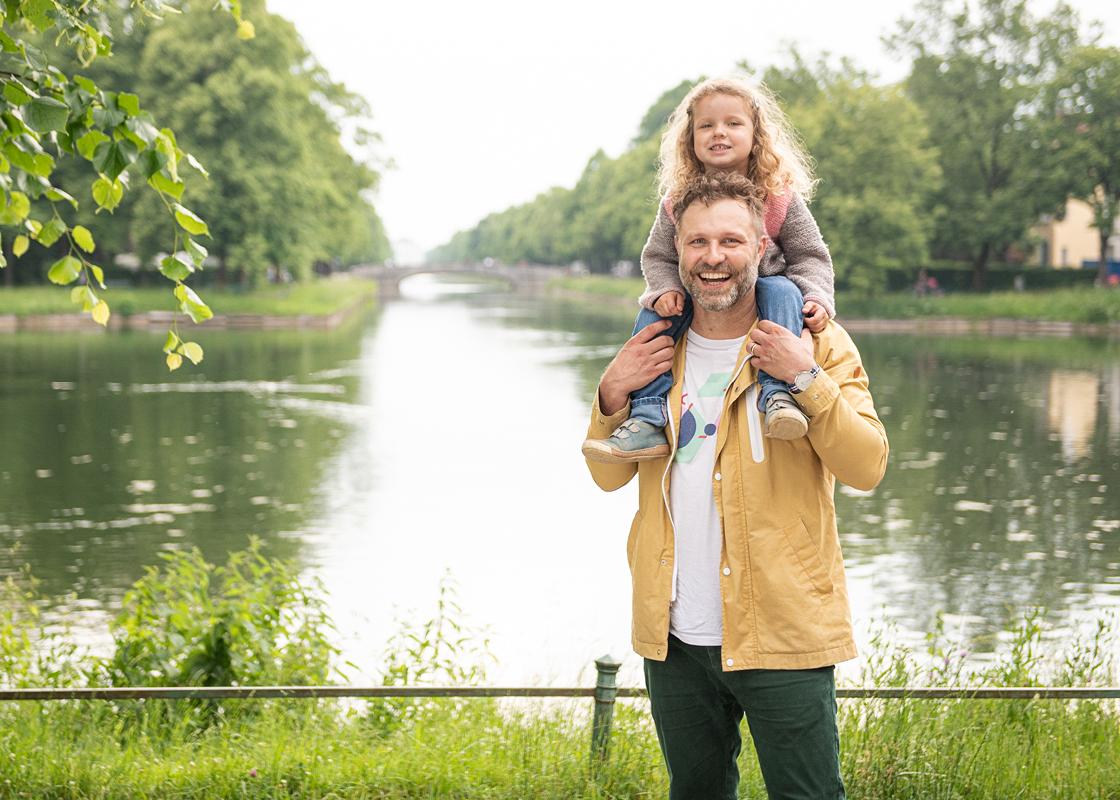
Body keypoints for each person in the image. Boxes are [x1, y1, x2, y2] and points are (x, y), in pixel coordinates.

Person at [583, 173, 888, 799]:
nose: (713, 257)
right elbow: (606, 474)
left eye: (730, 240)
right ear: (678, 250)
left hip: (784, 631)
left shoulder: (816, 341)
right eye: (697, 242)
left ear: (761, 248)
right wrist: (612, 392)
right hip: (675, 640)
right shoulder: (653, 344)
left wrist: (806, 380)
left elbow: (867, 467)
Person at [582, 77, 835, 465]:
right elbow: (658, 257)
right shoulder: (677, 202)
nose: (719, 132)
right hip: (696, 297)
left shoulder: (779, 196)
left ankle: (778, 394)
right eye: (707, 125)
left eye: (733, 123)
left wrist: (816, 297)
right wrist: (665, 289)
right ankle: (649, 415)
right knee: (651, 314)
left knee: (783, 291)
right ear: (691, 138)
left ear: (756, 134)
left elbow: (810, 255)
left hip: (769, 295)